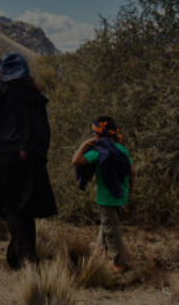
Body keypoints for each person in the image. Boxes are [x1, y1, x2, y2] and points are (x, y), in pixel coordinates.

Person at [0, 52, 57, 269]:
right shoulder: (34, 92)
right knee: (26, 208)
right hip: (33, 156)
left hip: (8, 155)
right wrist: (41, 154)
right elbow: (44, 128)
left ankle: (26, 260)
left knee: (12, 207)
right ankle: (18, 256)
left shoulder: (0, 89)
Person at [72, 116, 135, 273]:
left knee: (111, 229)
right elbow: (132, 172)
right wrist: (130, 192)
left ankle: (120, 262)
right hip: (120, 194)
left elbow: (76, 161)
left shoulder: (98, 152)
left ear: (99, 135)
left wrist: (84, 144)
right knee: (108, 222)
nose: (93, 136)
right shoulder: (122, 150)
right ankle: (100, 247)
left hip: (106, 197)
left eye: (94, 133)